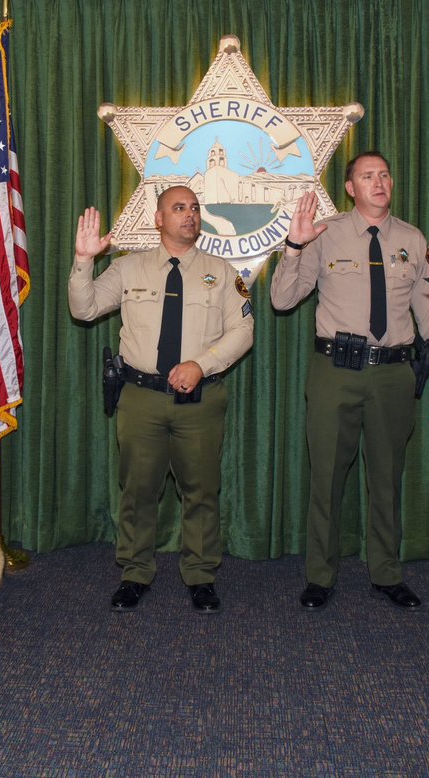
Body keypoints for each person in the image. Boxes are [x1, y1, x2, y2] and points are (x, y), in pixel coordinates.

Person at [271, 151, 429, 611]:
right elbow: (281, 299)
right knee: (327, 478)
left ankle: (387, 573)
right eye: (367, 176)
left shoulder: (412, 240)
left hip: (394, 373)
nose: (379, 182)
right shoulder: (324, 234)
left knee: (387, 478)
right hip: (336, 370)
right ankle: (320, 575)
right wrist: (294, 247)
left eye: (385, 175)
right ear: (350, 188)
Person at [68, 185, 254, 614]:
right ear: (158, 218)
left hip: (200, 401)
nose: (189, 215)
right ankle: (134, 572)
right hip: (141, 399)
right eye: (178, 208)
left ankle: (202, 576)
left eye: (194, 208)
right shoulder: (128, 269)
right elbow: (85, 308)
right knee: (137, 490)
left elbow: (243, 331)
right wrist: (83, 261)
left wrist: (201, 364)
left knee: (202, 491)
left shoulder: (223, 272)